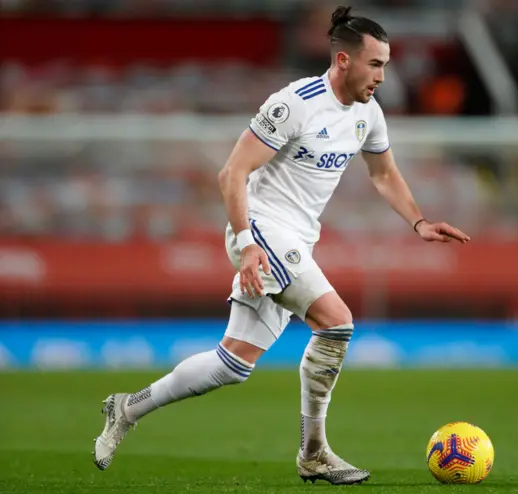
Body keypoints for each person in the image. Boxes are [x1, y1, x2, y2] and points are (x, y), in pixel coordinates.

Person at [92, 6, 470, 485]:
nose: (382, 76)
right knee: (337, 322)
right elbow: (232, 174)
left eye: (386, 65)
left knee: (230, 364)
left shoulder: (368, 115)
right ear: (343, 61)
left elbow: (384, 173)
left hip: (296, 240)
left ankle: (127, 408)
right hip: (263, 229)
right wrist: (248, 244)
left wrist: (418, 222)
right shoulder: (295, 104)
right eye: (375, 64)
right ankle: (314, 452)